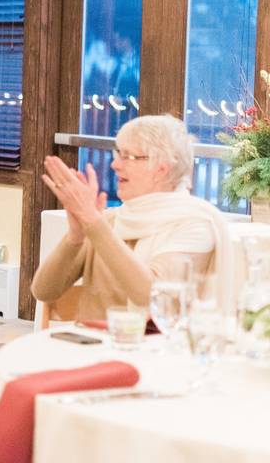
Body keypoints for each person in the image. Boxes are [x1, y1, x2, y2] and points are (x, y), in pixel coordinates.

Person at [31, 114, 230, 321]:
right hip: (92, 347)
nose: (114, 165)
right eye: (117, 154)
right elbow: (43, 291)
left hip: (156, 350)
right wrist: (75, 236)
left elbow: (152, 296)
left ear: (161, 169)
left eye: (127, 156)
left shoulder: (194, 224)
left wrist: (93, 222)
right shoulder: (110, 221)